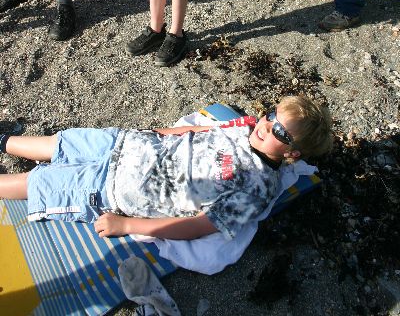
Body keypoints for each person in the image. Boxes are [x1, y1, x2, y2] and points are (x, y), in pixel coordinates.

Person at [0, 95, 333, 240]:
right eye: (272, 115)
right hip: (126, 144)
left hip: (119, 186)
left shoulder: (257, 189)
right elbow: (193, 131)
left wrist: (127, 225)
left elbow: (201, 226)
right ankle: (4, 142)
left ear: (292, 153)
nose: (267, 125)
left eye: (280, 132)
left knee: (40, 183)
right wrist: (154, 132)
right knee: (63, 143)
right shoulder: (244, 128)